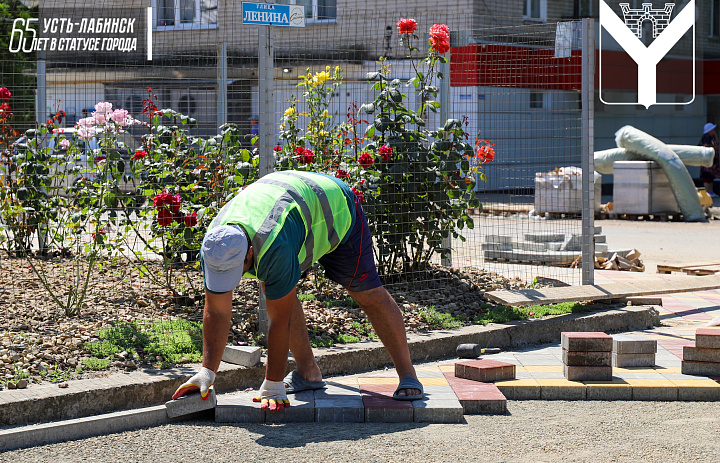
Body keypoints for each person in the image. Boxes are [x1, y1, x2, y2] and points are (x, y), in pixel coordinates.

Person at [172, 170, 423, 412]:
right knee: (278, 289)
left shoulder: (273, 244)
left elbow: (280, 320)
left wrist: (273, 384)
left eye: (236, 271)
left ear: (250, 252)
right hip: (295, 211)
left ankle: (408, 374)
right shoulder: (216, 246)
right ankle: (308, 372)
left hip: (334, 209)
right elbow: (216, 311)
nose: (233, 281)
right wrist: (207, 372)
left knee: (366, 293)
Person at [699, 122, 719, 198]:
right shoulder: (706, 137)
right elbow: (706, 146)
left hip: (712, 159)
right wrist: (715, 147)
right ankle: (707, 191)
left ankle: (710, 191)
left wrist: (715, 136)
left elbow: (717, 143)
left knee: (711, 176)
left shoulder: (712, 137)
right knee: (707, 175)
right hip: (707, 159)